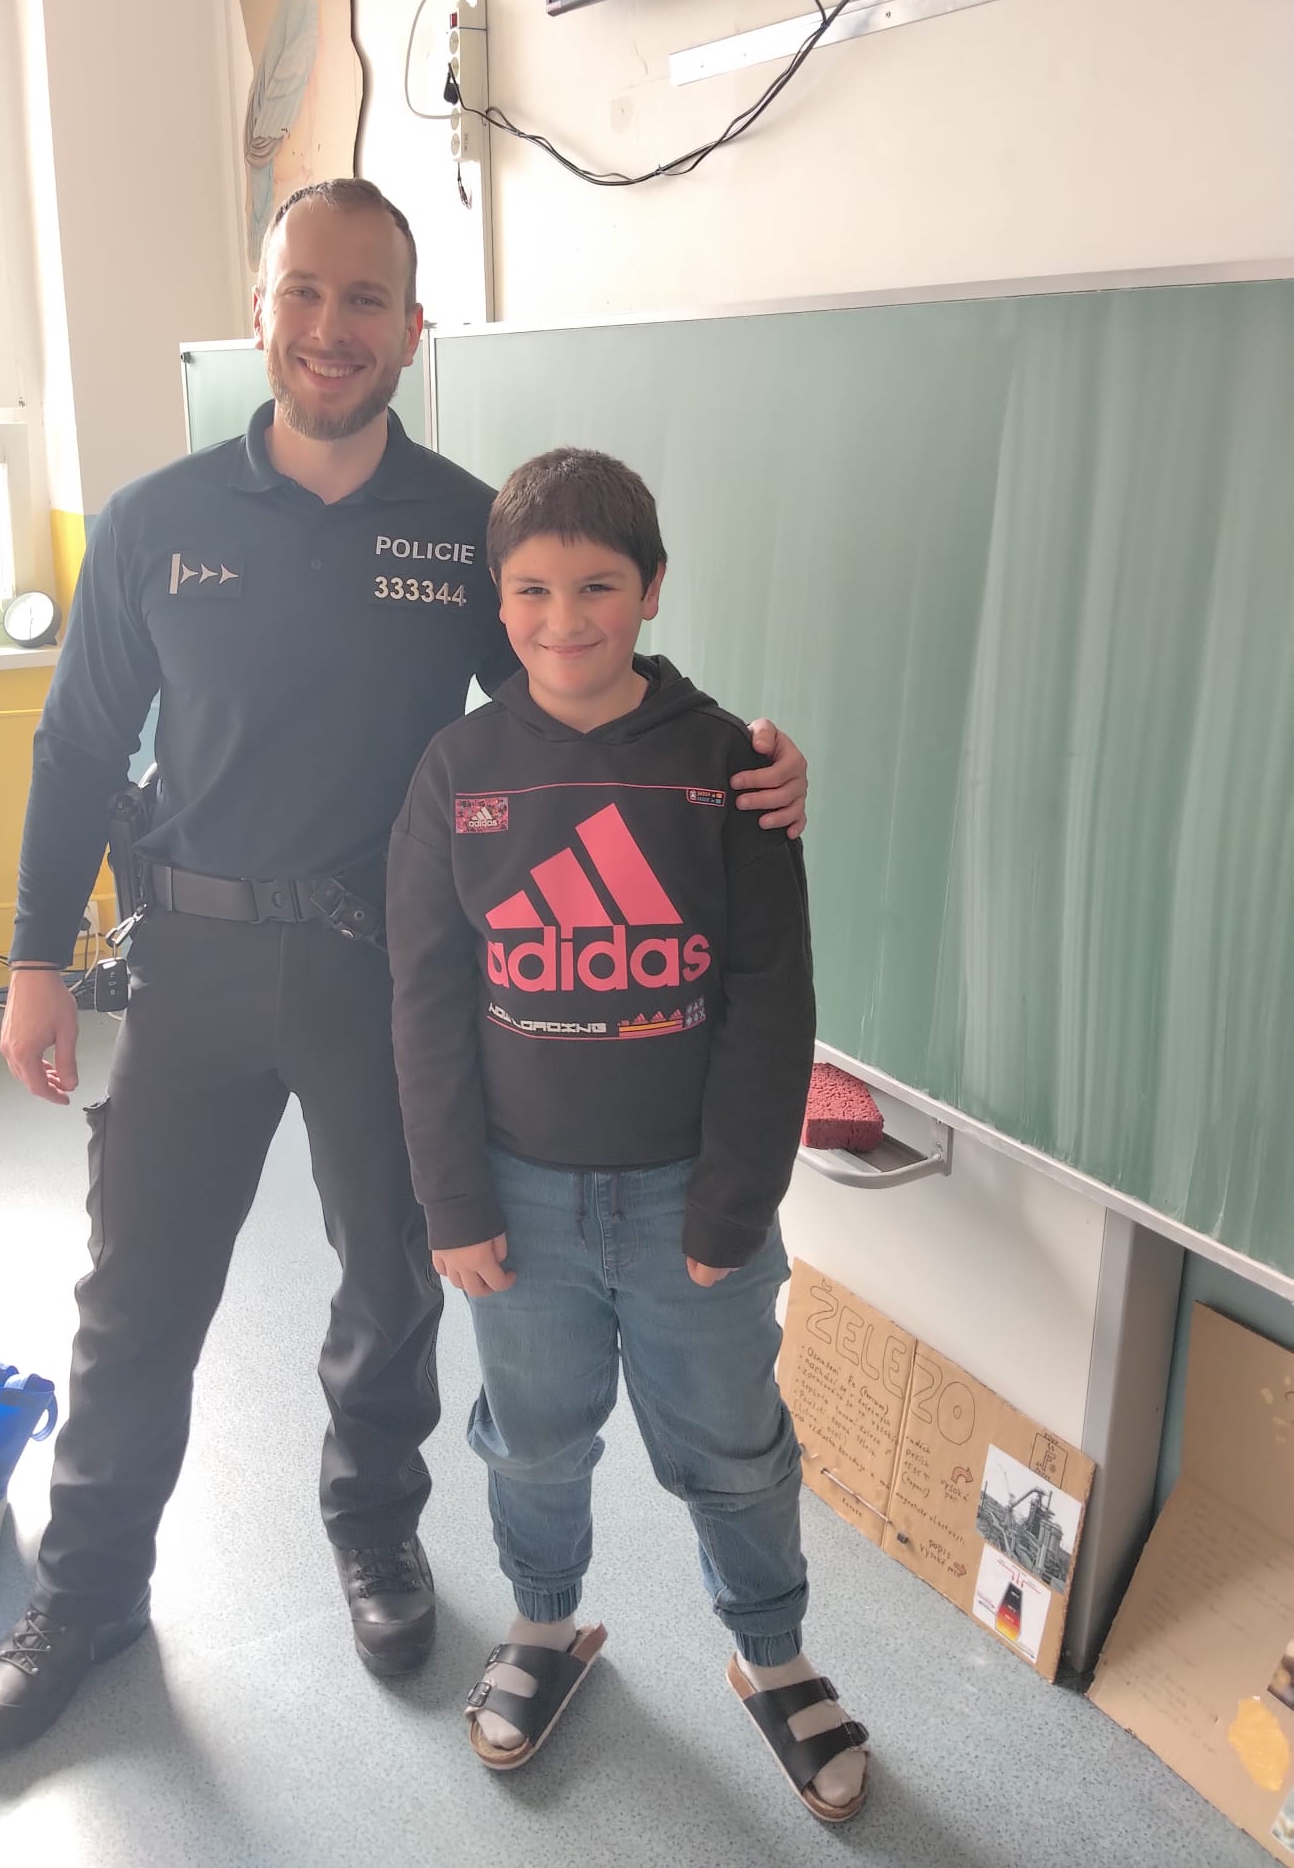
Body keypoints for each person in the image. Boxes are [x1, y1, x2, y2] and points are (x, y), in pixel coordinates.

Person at [0, 180, 810, 1755]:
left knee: (394, 1283)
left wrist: (735, 759)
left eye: (365, 300)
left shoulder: (463, 530)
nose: (330, 327)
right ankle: (86, 1592)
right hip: (194, 963)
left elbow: (573, 689)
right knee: (137, 1297)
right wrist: (31, 960)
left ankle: (374, 1535)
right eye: (303, 292)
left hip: (384, 976)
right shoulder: (155, 522)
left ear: (412, 329)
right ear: (261, 309)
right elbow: (75, 749)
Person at [386, 448, 868, 1821]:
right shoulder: (458, 771)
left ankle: (772, 1654)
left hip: (687, 1200)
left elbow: (772, 997)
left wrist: (734, 1201)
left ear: (651, 590)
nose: (564, 619)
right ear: (497, 602)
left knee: (733, 1445)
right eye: (532, 591)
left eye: (598, 586)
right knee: (530, 1438)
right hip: (518, 1199)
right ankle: (543, 1627)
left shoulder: (730, 771)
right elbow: (424, 998)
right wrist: (451, 1201)